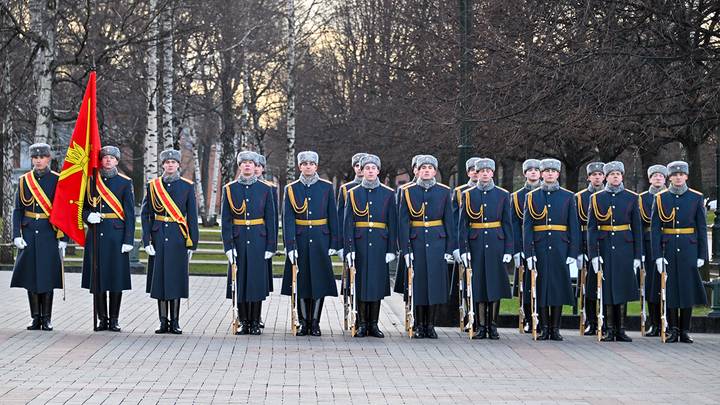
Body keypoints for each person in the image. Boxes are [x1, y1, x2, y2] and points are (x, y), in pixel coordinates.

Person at [281, 151, 340, 336]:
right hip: (299, 240)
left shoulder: (326, 187)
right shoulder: (291, 189)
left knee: (319, 283)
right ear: (299, 166)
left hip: (321, 240)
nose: (308, 166)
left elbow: (333, 216)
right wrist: (290, 245)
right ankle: (302, 322)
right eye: (304, 163)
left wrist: (334, 242)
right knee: (300, 282)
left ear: (316, 166)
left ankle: (315, 322)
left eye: (311, 163)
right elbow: (288, 218)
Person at [141, 149, 199, 334]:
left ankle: (175, 321)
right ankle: (162, 321)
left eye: (173, 162)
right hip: (158, 236)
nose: (170, 165)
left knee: (175, 279)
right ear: (163, 165)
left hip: (178, 238)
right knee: (160, 280)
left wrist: (192, 243)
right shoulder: (153, 186)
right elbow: (146, 214)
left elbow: (192, 217)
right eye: (167, 162)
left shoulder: (187, 186)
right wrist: (146, 240)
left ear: (178, 165)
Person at [398, 155, 455, 339]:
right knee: (419, 285)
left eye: (430, 167)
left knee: (435, 286)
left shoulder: (444, 191)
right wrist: (405, 249)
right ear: (417, 170)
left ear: (435, 171)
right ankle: (419, 324)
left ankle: (430, 324)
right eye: (423, 167)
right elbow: (404, 222)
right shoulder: (407, 191)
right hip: (416, 242)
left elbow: (449, 221)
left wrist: (449, 249)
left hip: (437, 242)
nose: (427, 170)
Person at [11, 143, 67, 331]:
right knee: (31, 276)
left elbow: (63, 210)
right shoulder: (24, 180)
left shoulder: (57, 180)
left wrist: (64, 237)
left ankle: (46, 318)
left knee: (47, 275)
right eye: (35, 157)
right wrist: (16, 235)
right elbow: (18, 210)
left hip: (49, 232)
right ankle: (35, 317)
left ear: (48, 158)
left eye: (42, 157)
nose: (38, 160)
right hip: (28, 232)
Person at [523, 158, 580, 341]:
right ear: (541, 173)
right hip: (539, 247)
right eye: (546, 171)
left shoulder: (568, 196)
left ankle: (555, 328)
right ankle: (543, 327)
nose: (549, 173)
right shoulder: (531, 197)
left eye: (553, 171)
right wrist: (529, 252)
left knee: (557, 287)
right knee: (540, 287)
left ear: (557, 174)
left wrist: (572, 252)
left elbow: (573, 226)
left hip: (560, 246)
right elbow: (527, 227)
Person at [651, 161, 707, 343]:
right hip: (668, 248)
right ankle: (673, 329)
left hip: (688, 248)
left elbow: (701, 227)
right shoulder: (660, 198)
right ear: (670, 177)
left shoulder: (696, 197)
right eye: (674, 175)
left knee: (687, 290)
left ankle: (685, 330)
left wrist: (701, 255)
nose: (677, 177)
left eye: (681, 174)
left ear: (686, 176)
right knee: (670, 290)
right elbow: (655, 229)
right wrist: (657, 256)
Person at [222, 151, 276, 335]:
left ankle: (255, 321)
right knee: (241, 281)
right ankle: (244, 321)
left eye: (250, 163)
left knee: (255, 282)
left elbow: (270, 219)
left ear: (256, 167)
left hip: (258, 239)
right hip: (238, 240)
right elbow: (226, 220)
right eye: (243, 163)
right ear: (239, 166)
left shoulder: (265, 189)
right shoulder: (229, 189)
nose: (247, 166)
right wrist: (228, 246)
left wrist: (271, 246)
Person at [458, 158, 513, 339]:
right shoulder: (468, 195)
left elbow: (507, 223)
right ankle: (481, 325)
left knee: (495, 285)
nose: (484, 174)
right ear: (477, 173)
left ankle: (493, 325)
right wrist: (464, 249)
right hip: (476, 243)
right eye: (481, 171)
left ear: (492, 173)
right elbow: (463, 225)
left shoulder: (503, 195)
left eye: (488, 171)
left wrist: (508, 249)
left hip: (496, 243)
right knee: (480, 285)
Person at [82, 146, 135, 332]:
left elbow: (129, 213)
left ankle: (114, 319)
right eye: (105, 158)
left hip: (116, 235)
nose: (108, 161)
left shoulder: (124, 182)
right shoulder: (90, 182)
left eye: (112, 158)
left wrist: (129, 239)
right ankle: (101, 319)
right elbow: (82, 206)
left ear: (117, 161)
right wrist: (87, 215)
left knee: (115, 279)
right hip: (96, 234)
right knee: (98, 279)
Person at [343, 154, 397, 337]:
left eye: (373, 168)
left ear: (378, 171)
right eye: (367, 168)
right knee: (359, 283)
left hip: (380, 244)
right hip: (359, 243)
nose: (370, 171)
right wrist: (349, 248)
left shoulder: (389, 193)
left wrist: (391, 249)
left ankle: (373, 324)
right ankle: (361, 323)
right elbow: (348, 223)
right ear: (362, 171)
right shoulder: (353, 193)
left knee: (376, 284)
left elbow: (393, 223)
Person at [587, 161, 641, 342]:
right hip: (604, 248)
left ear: (622, 176)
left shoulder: (632, 197)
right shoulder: (596, 198)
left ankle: (622, 329)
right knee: (608, 289)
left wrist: (637, 255)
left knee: (623, 288)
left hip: (625, 247)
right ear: (606, 177)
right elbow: (592, 229)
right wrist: (594, 255)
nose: (615, 176)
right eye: (612, 174)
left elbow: (637, 228)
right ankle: (610, 329)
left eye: (618, 174)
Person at [510, 158, 541, 333]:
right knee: (527, 285)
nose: (534, 172)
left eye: (537, 170)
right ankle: (529, 318)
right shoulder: (516, 197)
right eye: (530, 170)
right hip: (525, 245)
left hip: (543, 243)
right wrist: (517, 249)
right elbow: (515, 225)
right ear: (525, 174)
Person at [575, 162, 605, 336]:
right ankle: (591, 321)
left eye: (600, 174)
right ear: (588, 177)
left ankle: (605, 320)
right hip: (587, 245)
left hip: (606, 244)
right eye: (594, 175)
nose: (597, 177)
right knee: (589, 287)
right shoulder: (580, 197)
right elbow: (577, 226)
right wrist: (579, 251)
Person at [639, 164, 668, 337]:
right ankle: (655, 323)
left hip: (669, 242)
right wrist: (641, 251)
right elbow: (640, 227)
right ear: (650, 179)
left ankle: (668, 321)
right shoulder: (642, 199)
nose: (658, 178)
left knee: (668, 284)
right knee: (652, 285)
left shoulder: (670, 196)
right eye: (655, 176)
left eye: (661, 176)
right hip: (650, 244)